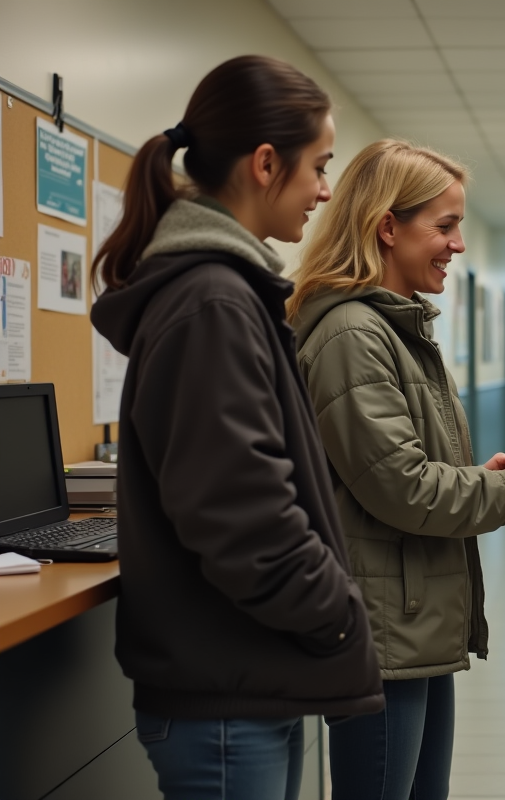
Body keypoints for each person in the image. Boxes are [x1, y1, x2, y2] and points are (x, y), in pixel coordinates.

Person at [90, 55, 383, 800]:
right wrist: (339, 618)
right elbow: (242, 515)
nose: (323, 190)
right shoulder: (213, 303)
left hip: (247, 678)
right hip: (226, 698)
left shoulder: (228, 292)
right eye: (318, 167)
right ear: (263, 163)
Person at [287, 139, 505, 800]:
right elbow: (402, 488)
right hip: (382, 628)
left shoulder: (393, 329)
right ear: (388, 227)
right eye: (444, 226)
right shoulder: (354, 335)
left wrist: (477, 473)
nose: (458, 245)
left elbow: (397, 465)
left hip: (411, 622)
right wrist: (504, 489)